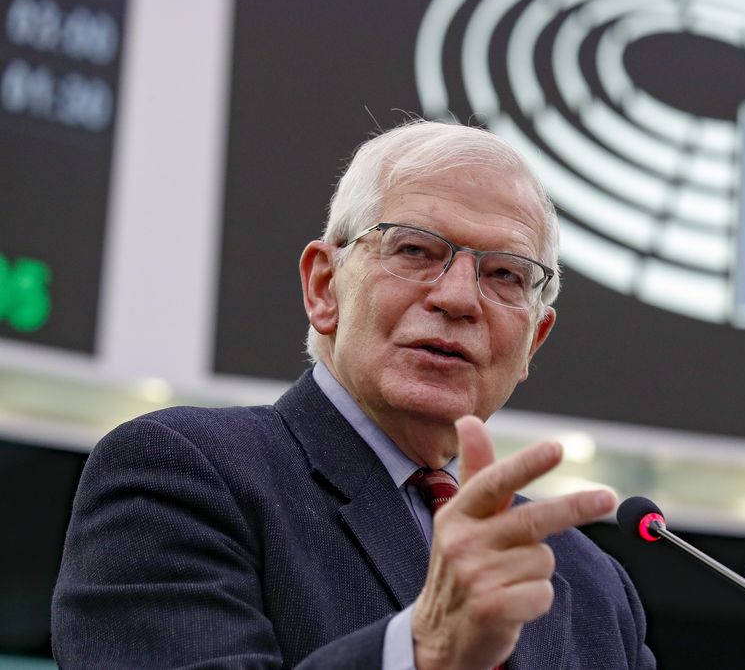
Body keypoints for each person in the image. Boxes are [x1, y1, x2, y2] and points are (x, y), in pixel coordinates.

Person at [51, 120, 656, 669]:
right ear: (323, 287)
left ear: (534, 341)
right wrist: (423, 652)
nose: (459, 299)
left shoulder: (594, 587)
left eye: (505, 275)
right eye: (416, 250)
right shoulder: (180, 477)